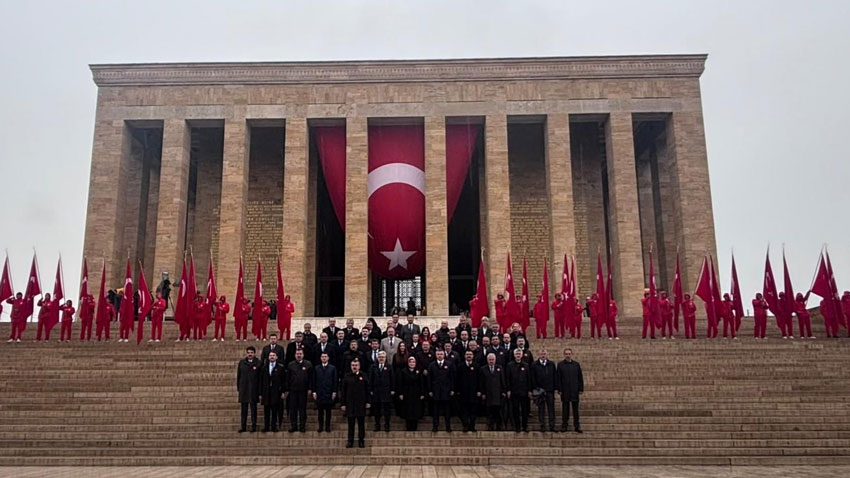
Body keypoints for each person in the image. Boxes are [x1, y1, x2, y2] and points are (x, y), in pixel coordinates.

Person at [340, 358, 369, 448]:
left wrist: (368, 401)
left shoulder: (363, 376)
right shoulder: (346, 376)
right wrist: (343, 403)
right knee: (351, 424)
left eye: (356, 365)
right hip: (350, 404)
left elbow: (367, 390)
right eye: (353, 365)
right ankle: (350, 441)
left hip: (361, 403)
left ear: (359, 366)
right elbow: (343, 391)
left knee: (361, 423)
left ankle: (361, 441)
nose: (354, 367)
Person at [283, 348, 313, 433]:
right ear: (295, 355)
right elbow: (287, 378)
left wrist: (310, 388)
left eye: (300, 354)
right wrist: (287, 389)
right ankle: (293, 425)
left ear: (303, 355)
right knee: (293, 409)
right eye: (297, 354)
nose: (299, 355)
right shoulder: (290, 365)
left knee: (302, 409)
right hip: (293, 390)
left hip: (303, 390)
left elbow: (311, 378)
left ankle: (302, 426)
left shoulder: (308, 364)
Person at [556, 348, 584, 433]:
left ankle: (577, 425)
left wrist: (581, 388)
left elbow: (580, 377)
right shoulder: (560, 365)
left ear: (571, 354)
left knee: (575, 410)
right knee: (565, 409)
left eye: (569, 354)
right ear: (564, 355)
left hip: (574, 390)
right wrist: (559, 389)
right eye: (566, 354)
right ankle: (564, 425)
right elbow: (558, 378)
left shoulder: (576, 364)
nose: (568, 355)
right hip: (565, 391)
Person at [427, 349, 455, 432]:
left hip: (446, 390)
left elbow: (452, 378)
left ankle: (448, 426)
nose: (440, 355)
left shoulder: (449, 364)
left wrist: (452, 389)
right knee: (435, 410)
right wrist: (430, 390)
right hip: (435, 391)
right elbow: (429, 379)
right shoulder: (432, 365)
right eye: (438, 354)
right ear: (436, 355)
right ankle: (435, 426)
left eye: (441, 354)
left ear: (444, 355)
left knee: (447, 410)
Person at [397, 356, 426, 431]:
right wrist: (400, 393)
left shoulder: (418, 371)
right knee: (407, 410)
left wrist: (422, 393)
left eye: (413, 362)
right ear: (408, 363)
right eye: (410, 362)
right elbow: (400, 383)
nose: (412, 363)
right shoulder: (403, 371)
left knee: (415, 410)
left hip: (416, 393)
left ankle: (414, 426)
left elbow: (422, 383)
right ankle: (408, 426)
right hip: (407, 393)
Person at [236, 345, 261, 433]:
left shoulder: (258, 363)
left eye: (251, 353)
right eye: (248, 353)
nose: (250, 354)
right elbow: (239, 376)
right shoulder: (242, 363)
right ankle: (243, 426)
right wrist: (239, 388)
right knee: (244, 410)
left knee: (253, 409)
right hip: (244, 389)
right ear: (246, 353)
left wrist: (259, 391)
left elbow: (260, 378)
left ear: (254, 353)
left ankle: (253, 426)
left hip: (254, 389)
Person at [531, 349, 556, 432]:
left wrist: (554, 388)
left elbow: (554, 376)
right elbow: (533, 378)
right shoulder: (534, 365)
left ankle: (552, 425)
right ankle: (542, 425)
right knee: (541, 409)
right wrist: (536, 388)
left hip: (549, 390)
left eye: (544, 354)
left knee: (551, 408)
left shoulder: (551, 364)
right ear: (539, 355)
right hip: (539, 391)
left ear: (547, 355)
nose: (543, 355)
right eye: (541, 354)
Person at [505, 348, 531, 433]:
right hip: (514, 391)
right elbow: (507, 378)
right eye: (516, 354)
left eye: (519, 354)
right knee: (515, 410)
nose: (518, 355)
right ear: (514, 355)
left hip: (524, 392)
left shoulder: (526, 365)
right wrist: (508, 390)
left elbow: (529, 379)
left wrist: (529, 390)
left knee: (524, 410)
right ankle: (517, 427)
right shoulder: (509, 365)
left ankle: (525, 426)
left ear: (522, 355)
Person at [259, 351, 285, 432]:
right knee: (266, 410)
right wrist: (260, 393)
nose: (272, 357)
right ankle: (266, 426)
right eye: (270, 355)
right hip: (266, 392)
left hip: (276, 391)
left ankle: (274, 426)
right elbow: (260, 381)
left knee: (274, 410)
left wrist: (283, 391)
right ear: (268, 357)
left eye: (274, 355)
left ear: (277, 357)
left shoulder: (281, 367)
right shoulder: (264, 368)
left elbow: (283, 380)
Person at [368, 351, 394, 432]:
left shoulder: (389, 367)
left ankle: (387, 425)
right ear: (377, 358)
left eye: (383, 357)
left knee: (386, 410)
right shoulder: (373, 367)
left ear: (385, 358)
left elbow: (392, 378)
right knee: (377, 410)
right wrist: (371, 389)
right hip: (376, 391)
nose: (381, 358)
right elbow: (370, 379)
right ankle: (377, 425)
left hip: (386, 391)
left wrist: (392, 389)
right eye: (380, 357)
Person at [478, 353, 505, 431]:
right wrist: (482, 392)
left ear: (495, 359)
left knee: (498, 411)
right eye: (490, 359)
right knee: (489, 411)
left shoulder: (499, 368)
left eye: (492, 359)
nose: (491, 361)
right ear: (487, 360)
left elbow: (502, 380)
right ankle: (490, 425)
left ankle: (499, 425)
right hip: (488, 393)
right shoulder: (483, 369)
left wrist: (504, 390)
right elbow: (481, 382)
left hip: (498, 393)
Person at [313, 352, 337, 433]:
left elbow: (335, 380)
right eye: (322, 356)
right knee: (320, 412)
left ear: (328, 358)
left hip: (329, 392)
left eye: (325, 357)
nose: (324, 358)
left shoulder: (332, 368)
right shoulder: (317, 368)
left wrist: (334, 391)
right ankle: (320, 426)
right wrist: (314, 391)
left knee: (328, 411)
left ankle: (327, 426)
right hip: (319, 392)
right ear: (320, 358)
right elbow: (314, 380)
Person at [455, 350, 479, 433]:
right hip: (463, 393)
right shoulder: (460, 366)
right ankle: (465, 425)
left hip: (474, 393)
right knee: (463, 410)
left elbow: (480, 380)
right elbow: (456, 379)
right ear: (464, 356)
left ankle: (472, 426)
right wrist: (457, 390)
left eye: (470, 354)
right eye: (467, 354)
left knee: (473, 411)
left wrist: (479, 390)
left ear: (473, 356)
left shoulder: (476, 366)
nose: (469, 356)